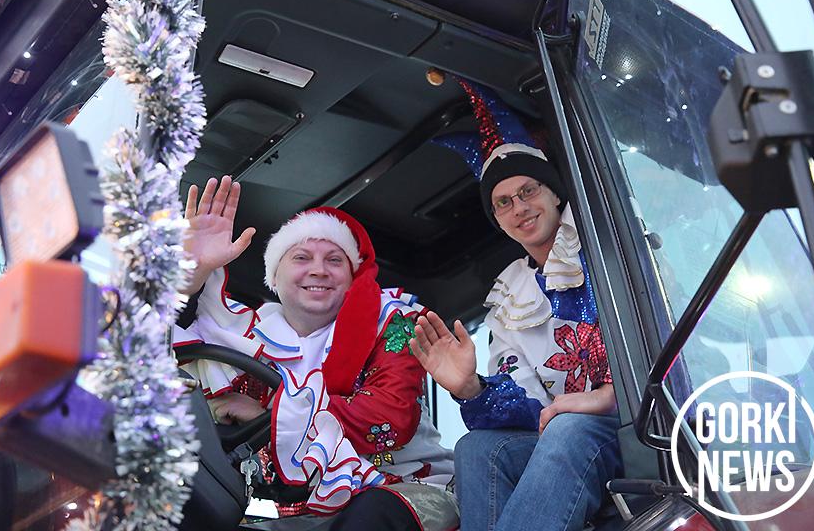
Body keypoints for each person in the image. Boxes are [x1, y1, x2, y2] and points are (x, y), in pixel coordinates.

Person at [172, 176, 457, 531]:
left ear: (352, 277)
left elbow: (389, 417)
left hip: (408, 490)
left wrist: (271, 413)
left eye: (335, 260)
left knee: (368, 517)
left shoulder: (393, 321)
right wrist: (193, 275)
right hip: (304, 516)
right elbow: (157, 351)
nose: (318, 270)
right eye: (301, 257)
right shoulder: (248, 337)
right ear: (275, 277)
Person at [410, 79, 622, 531]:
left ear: (554, 193)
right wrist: (471, 388)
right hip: (563, 441)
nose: (519, 208)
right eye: (503, 202)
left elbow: (666, 343)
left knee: (569, 427)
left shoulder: (610, 249)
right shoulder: (510, 298)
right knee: (476, 448)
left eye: (528, 191)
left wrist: (606, 396)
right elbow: (530, 411)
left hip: (631, 429)